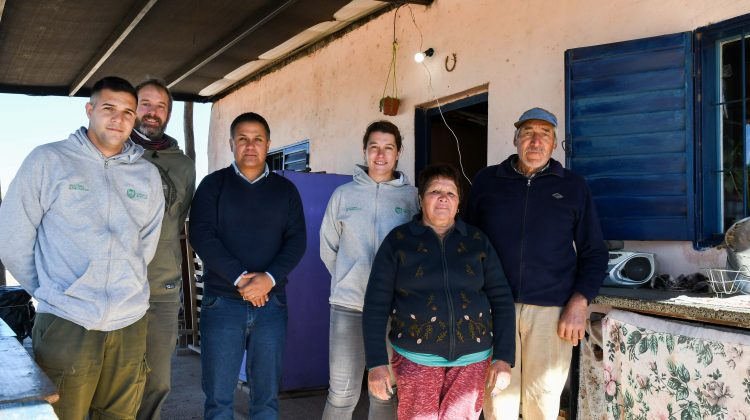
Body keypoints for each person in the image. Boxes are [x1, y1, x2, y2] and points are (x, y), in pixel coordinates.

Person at [0, 76, 165, 419]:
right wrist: (53, 291)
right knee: (62, 416)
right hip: (66, 320)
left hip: (129, 321)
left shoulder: (146, 175)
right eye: (108, 108)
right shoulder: (48, 161)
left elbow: (144, 247)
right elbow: (11, 237)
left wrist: (124, 283)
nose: (118, 119)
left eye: (127, 112)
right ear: (90, 110)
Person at [468, 107, 608, 420]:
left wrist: (579, 301)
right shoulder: (487, 181)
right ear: (516, 138)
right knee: (496, 402)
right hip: (493, 309)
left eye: (544, 134)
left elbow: (594, 252)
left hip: (550, 313)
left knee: (542, 405)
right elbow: (466, 245)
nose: (536, 140)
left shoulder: (573, 187)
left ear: (554, 143)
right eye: (528, 132)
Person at [363, 164, 516, 420]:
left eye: (451, 193)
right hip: (416, 359)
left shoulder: (477, 241)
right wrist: (376, 363)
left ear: (458, 204)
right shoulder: (399, 241)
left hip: (473, 359)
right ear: (421, 200)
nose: (444, 198)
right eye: (435, 191)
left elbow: (501, 299)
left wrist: (503, 357)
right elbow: (376, 305)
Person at [189, 112, 306, 420]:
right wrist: (241, 279)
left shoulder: (285, 191)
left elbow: (296, 242)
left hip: (271, 306)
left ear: (268, 144)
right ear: (231, 144)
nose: (250, 146)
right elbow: (202, 236)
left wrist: (268, 278)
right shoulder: (213, 186)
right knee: (218, 399)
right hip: (221, 304)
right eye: (243, 139)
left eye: (257, 139)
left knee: (266, 399)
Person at [320, 120, 418, 419]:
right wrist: (349, 278)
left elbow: (417, 251)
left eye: (388, 147)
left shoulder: (411, 198)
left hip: (394, 310)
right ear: (364, 151)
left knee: (385, 393)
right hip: (349, 306)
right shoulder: (343, 195)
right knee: (341, 395)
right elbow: (329, 248)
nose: (380, 154)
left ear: (398, 152)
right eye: (374, 147)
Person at [130, 79, 196, 420]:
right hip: (114, 289)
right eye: (146, 103)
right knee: (115, 382)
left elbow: (179, 218)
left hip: (162, 289)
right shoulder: (112, 153)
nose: (152, 112)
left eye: (161, 107)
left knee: (157, 380)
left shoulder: (183, 165)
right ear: (133, 106)